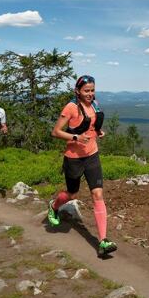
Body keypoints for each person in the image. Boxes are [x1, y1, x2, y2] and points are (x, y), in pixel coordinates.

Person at [49, 75, 117, 257]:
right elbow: (55, 132)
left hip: (92, 155)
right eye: (86, 90)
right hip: (73, 158)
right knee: (72, 194)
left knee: (97, 193)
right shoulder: (71, 107)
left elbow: (91, 125)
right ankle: (54, 206)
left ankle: (103, 241)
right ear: (77, 91)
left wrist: (98, 131)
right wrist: (76, 138)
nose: (90, 94)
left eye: (92, 90)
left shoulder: (95, 104)